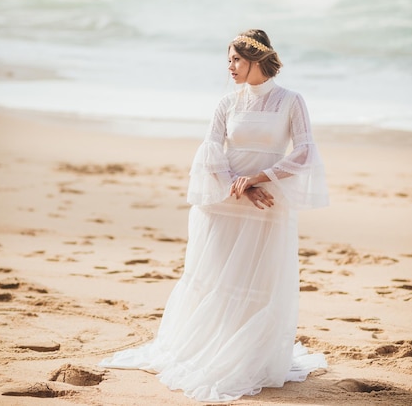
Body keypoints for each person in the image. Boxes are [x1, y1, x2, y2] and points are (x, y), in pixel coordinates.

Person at [99, 29, 329, 402]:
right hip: (225, 203)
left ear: (257, 59)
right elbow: (210, 154)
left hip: (268, 206)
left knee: (260, 281)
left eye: (237, 59)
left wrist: (259, 180)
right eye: (229, 60)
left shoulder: (290, 101)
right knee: (218, 278)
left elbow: (304, 153)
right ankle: (209, 346)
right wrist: (239, 186)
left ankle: (249, 355)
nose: (231, 67)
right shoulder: (227, 103)